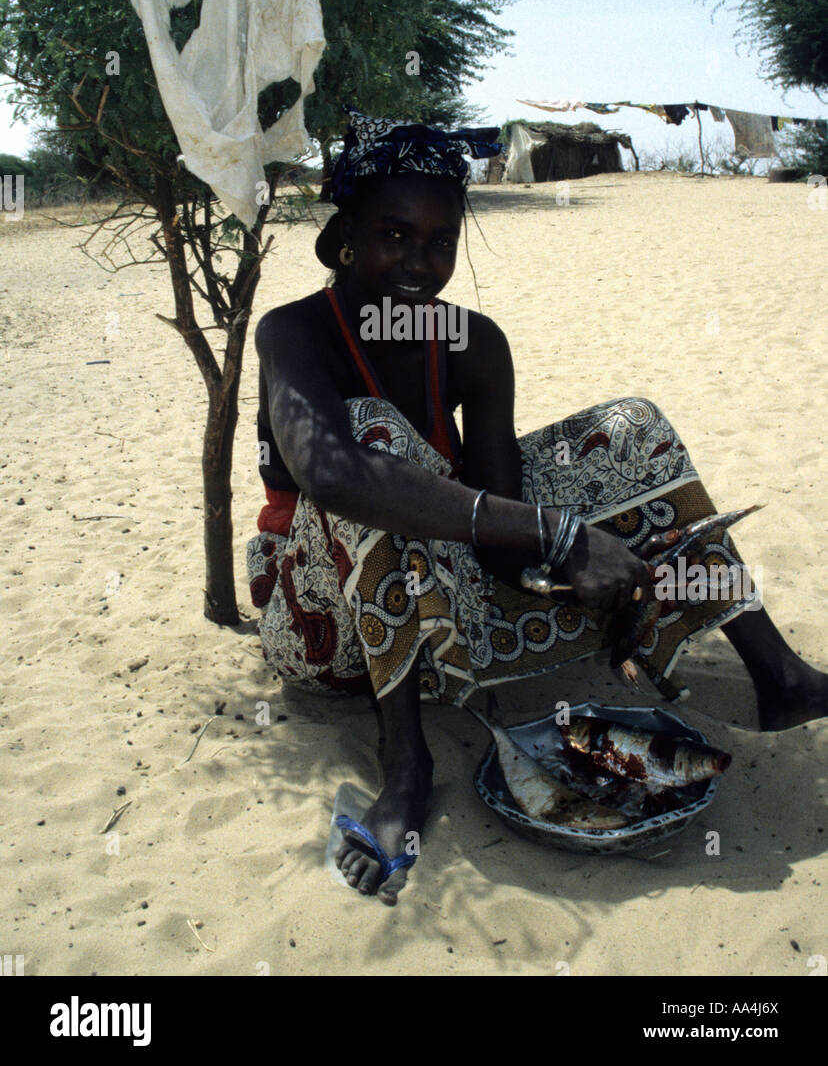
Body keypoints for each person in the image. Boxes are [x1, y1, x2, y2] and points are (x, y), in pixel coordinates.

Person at [248, 110, 828, 905]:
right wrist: (561, 533)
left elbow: (500, 528)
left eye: (440, 240)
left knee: (633, 426)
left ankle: (781, 674)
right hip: (325, 633)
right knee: (369, 434)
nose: (420, 263)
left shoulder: (472, 343)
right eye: (393, 234)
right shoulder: (291, 334)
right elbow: (336, 476)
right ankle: (407, 766)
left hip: (450, 605)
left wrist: (592, 569)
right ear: (346, 232)